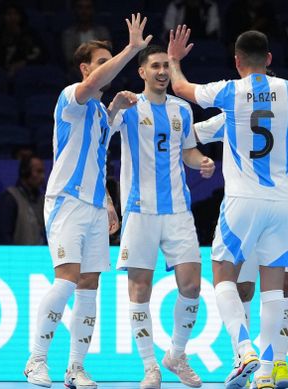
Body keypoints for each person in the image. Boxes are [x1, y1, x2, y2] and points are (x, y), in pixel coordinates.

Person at [168, 26, 288, 389]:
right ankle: (267, 371)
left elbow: (181, 90)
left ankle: (244, 350)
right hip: (283, 204)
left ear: (237, 61)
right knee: (275, 290)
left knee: (223, 275)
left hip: (243, 201)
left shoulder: (230, 91)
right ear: (270, 59)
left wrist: (176, 61)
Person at [23, 13, 152, 389]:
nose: (105, 69)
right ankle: (36, 361)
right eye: (100, 62)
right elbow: (96, 83)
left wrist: (109, 203)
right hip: (66, 202)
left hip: (95, 207)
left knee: (89, 286)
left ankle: (75, 368)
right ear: (84, 68)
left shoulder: (97, 111)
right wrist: (131, 49)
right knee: (65, 281)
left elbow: (98, 156)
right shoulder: (71, 97)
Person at [111, 44, 216, 389]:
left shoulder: (182, 110)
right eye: (154, 66)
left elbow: (186, 151)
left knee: (191, 285)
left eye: (165, 66)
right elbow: (99, 135)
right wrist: (113, 107)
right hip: (140, 210)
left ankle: (176, 354)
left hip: (177, 210)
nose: (161, 72)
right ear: (142, 72)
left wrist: (200, 160)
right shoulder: (129, 106)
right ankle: (149, 367)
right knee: (139, 289)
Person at [194, 113, 288, 389]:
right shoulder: (237, 113)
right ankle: (248, 362)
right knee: (248, 288)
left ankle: (274, 363)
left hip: (260, 214)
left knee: (276, 287)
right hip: (267, 214)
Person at [0, 155, 46, 245]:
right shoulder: (9, 199)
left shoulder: (42, 200)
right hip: (18, 257)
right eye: (38, 171)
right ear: (25, 172)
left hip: (39, 256)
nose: (43, 176)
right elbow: (3, 237)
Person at [0, 1, 46, 76]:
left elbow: (42, 55)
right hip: (2, 72)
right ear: (3, 16)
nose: (12, 17)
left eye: (16, 14)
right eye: (9, 14)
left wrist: (24, 63)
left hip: (27, 72)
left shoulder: (31, 34)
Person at [62, 0, 111, 68]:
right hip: (76, 70)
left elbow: (107, 56)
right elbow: (70, 58)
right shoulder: (69, 34)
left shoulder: (102, 31)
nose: (84, 11)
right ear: (75, 10)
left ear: (92, 10)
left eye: (88, 7)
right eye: (80, 7)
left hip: (101, 69)